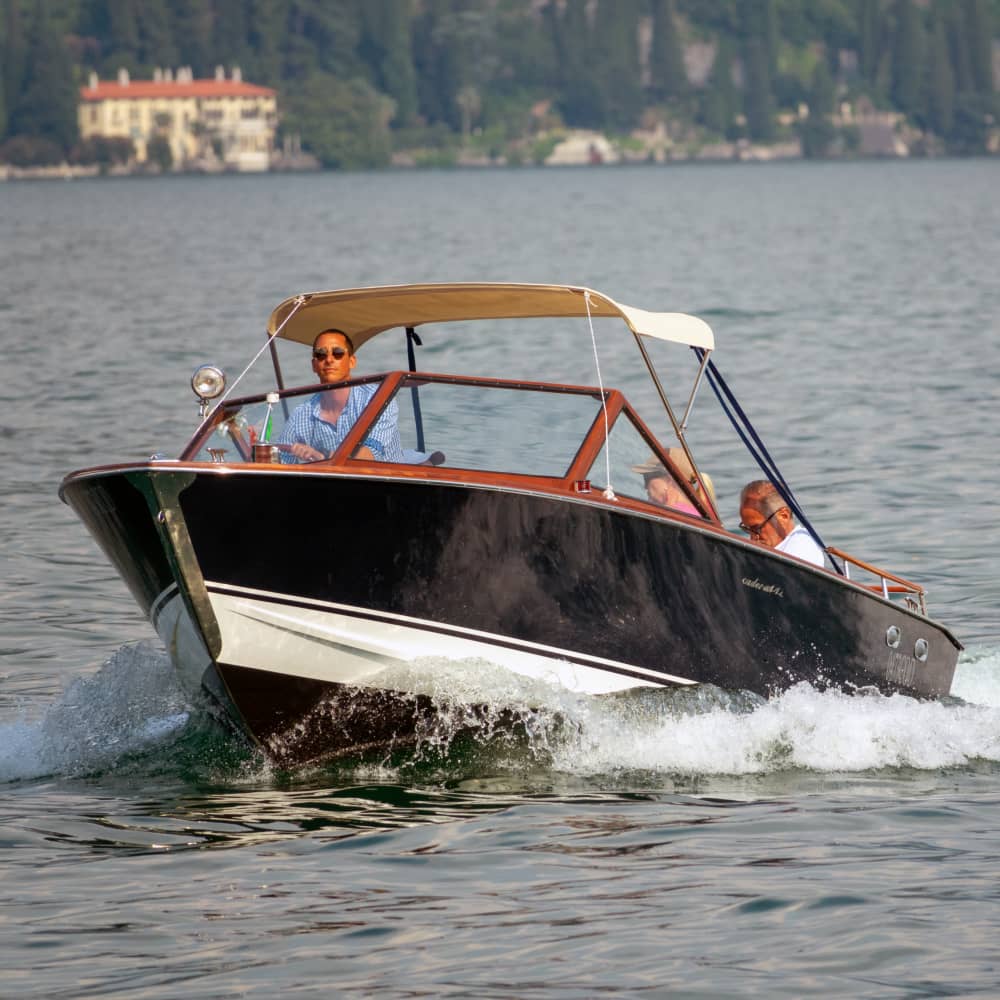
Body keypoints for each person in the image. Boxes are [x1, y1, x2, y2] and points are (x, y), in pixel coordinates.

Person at [277, 328, 404, 463]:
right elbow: (282, 459)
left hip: (386, 479)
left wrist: (322, 456)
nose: (329, 359)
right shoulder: (301, 414)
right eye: (321, 354)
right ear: (314, 365)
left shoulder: (378, 398)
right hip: (332, 481)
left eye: (337, 353)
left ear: (352, 361)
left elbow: (371, 454)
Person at [738, 480, 825, 567]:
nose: (752, 538)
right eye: (747, 529)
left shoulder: (803, 546)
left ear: (784, 516)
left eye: (757, 528)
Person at [632, 448, 715, 517]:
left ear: (669, 480)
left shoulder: (675, 515)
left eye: (647, 477)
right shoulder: (698, 514)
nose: (645, 486)